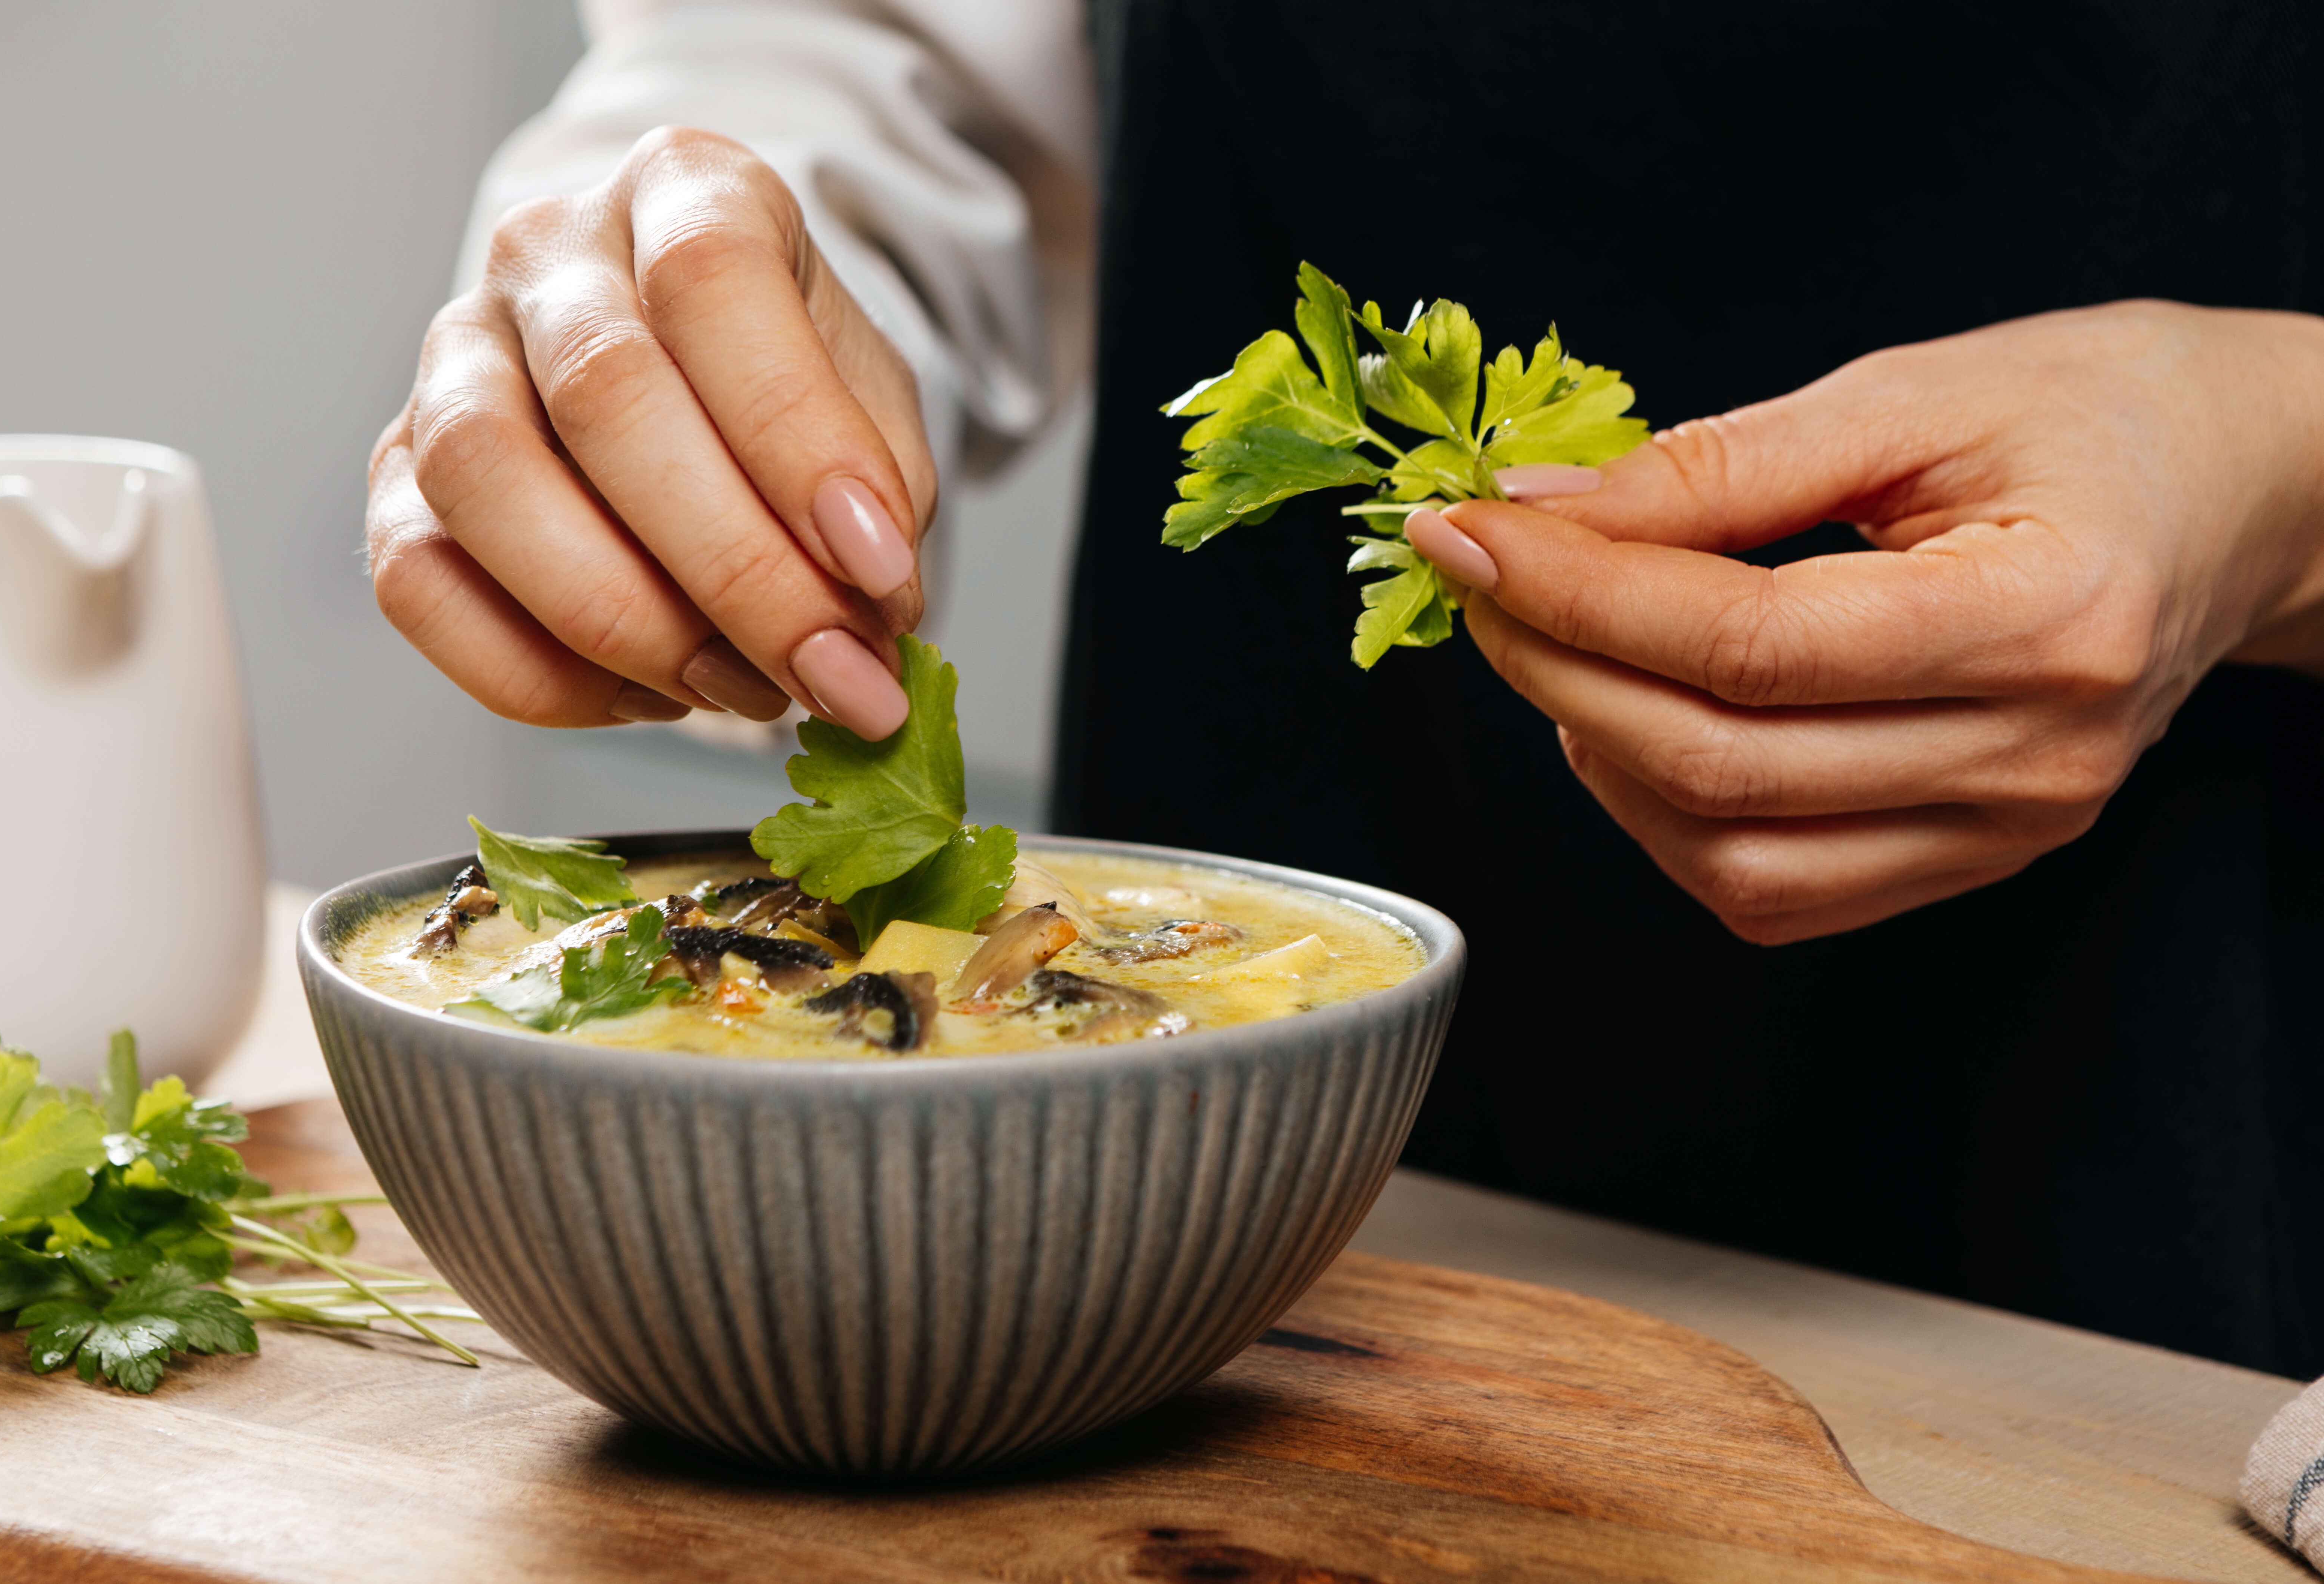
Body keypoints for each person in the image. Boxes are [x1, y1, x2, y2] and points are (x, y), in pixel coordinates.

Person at [366, 1, 2324, 1374]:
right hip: (1237, 1221)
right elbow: (861, 57)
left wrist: (2288, 475)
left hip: (2214, 1188)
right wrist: (690, 273)